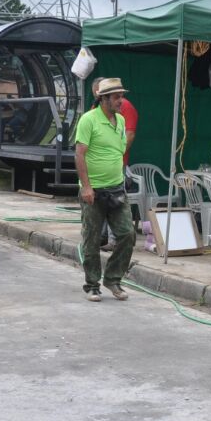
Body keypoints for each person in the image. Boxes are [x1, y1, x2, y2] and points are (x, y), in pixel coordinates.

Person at [73, 76, 137, 300]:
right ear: (104, 99)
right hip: (94, 191)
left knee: (127, 234)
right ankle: (92, 284)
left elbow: (118, 151)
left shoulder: (119, 121)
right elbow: (80, 154)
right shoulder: (88, 120)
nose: (121, 100)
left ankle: (113, 279)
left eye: (122, 96)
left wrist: (120, 176)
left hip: (116, 188)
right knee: (91, 239)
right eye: (117, 97)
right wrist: (86, 187)